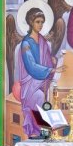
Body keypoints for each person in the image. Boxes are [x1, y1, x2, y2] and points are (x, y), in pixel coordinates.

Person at [14, 8, 62, 138]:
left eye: (42, 22)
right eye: (37, 22)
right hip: (30, 81)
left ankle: (45, 129)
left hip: (42, 79)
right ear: (31, 22)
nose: (40, 25)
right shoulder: (26, 43)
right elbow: (31, 66)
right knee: (39, 97)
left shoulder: (43, 41)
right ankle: (35, 130)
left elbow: (46, 59)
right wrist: (51, 69)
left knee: (49, 97)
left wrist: (53, 61)